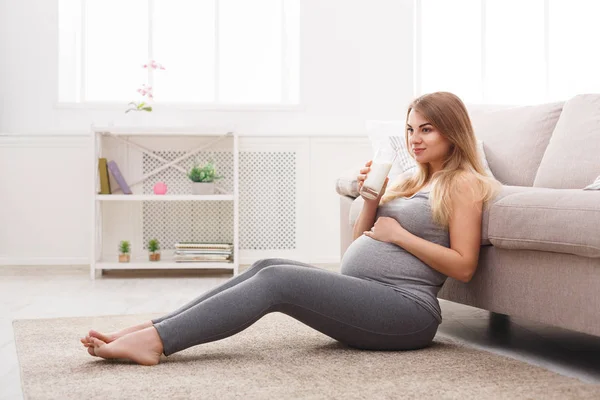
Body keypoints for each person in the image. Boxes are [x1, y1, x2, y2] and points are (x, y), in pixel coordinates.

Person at [80, 91, 502, 366]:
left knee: (278, 281)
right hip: (370, 294)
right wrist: (372, 197)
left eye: (426, 129)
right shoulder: (414, 179)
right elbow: (359, 243)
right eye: (410, 129)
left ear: (453, 132)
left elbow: (464, 267)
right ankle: (150, 329)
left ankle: (158, 342)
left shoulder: (463, 184)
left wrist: (401, 236)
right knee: (267, 263)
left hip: (407, 313)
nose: (415, 139)